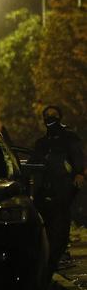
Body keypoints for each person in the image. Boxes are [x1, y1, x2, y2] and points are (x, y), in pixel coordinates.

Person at [31, 105, 85, 275]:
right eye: (46, 116)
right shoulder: (42, 143)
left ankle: (54, 259)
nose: (49, 119)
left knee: (60, 225)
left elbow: (78, 159)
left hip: (63, 190)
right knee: (46, 227)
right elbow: (34, 164)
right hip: (43, 192)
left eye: (53, 115)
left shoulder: (69, 138)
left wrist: (79, 174)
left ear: (60, 117)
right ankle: (47, 261)